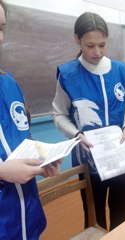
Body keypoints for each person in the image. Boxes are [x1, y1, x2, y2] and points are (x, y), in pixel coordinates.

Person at [52, 12, 125, 230]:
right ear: (77, 39)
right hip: (87, 159)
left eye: (102, 45)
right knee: (94, 217)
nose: (97, 52)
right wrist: (77, 135)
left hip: (119, 156)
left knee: (124, 213)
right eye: (90, 45)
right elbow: (58, 114)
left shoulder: (120, 70)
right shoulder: (68, 74)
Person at [0, 1, 61, 239]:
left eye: (2, 28)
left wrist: (43, 158)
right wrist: (2, 170)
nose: (0, 38)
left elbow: (23, 138)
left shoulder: (9, 84)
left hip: (26, 216)